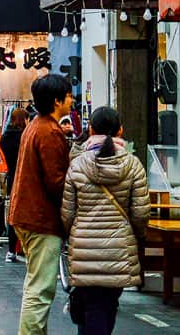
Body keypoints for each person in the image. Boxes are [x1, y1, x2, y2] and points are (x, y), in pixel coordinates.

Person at [61, 106, 150, 335]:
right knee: (107, 305)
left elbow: (68, 213)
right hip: (118, 248)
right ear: (120, 130)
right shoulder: (133, 165)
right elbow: (140, 213)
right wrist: (137, 236)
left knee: (91, 305)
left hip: (83, 248)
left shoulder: (78, 164)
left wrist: (71, 235)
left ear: (90, 130)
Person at [9, 73, 72, 335]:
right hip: (40, 218)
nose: (71, 100)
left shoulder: (35, 125)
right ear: (57, 100)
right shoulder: (49, 131)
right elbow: (56, 182)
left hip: (26, 214)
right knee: (41, 288)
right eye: (68, 96)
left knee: (35, 283)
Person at [0, 108, 28, 262]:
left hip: (12, 178)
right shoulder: (25, 137)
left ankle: (11, 250)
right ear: (24, 119)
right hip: (25, 179)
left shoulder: (4, 137)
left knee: (13, 215)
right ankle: (25, 249)